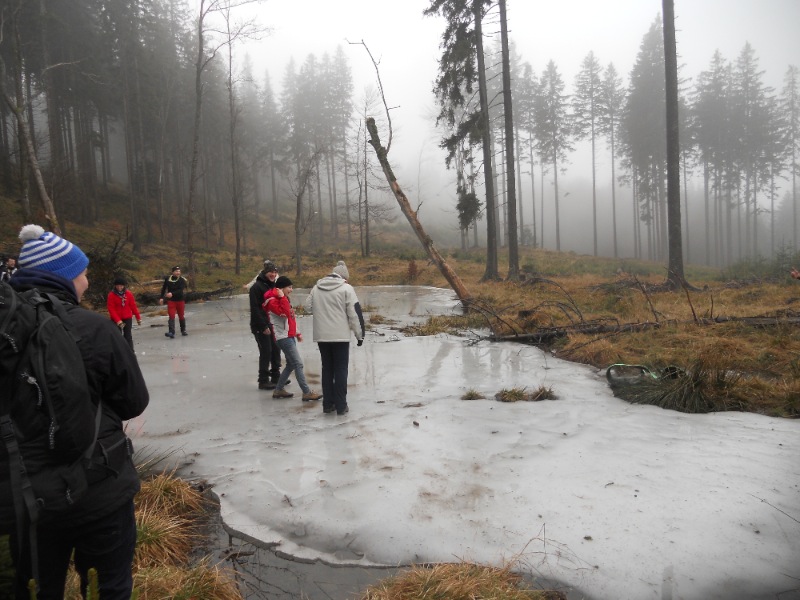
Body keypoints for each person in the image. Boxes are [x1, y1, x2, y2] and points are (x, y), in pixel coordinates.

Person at [9, 224, 149, 599]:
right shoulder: (94, 328)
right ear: (65, 276)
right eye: (83, 273)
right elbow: (134, 401)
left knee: (37, 588)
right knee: (110, 587)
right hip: (99, 487)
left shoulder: (6, 333)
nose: (86, 282)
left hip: (26, 496)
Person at [304, 261, 364, 415]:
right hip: (340, 337)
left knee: (327, 369)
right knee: (341, 369)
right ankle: (341, 405)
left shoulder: (316, 288)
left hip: (322, 336)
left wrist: (322, 310)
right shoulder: (347, 289)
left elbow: (307, 307)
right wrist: (359, 335)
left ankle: (328, 404)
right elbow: (354, 314)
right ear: (344, 277)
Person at [264, 275, 322, 401]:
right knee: (298, 364)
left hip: (289, 336)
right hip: (283, 338)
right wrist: (282, 298)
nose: (291, 290)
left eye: (292, 287)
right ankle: (306, 392)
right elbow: (284, 313)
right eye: (289, 287)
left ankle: (278, 390)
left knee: (291, 364)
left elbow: (291, 318)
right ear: (281, 288)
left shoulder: (283, 299)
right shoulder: (273, 301)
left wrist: (297, 333)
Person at [249, 260, 282, 390]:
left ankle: (276, 376)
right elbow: (255, 309)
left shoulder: (273, 286)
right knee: (266, 351)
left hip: (272, 323)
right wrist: (263, 326)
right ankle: (263, 380)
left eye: (274, 272)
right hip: (260, 325)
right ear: (265, 272)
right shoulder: (256, 287)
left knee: (276, 349)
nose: (273, 274)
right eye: (270, 272)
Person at [106, 277, 142, 350]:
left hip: (127, 318)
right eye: (118, 286)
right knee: (118, 336)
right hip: (116, 319)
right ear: (115, 286)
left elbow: (133, 306)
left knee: (128, 336)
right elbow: (111, 309)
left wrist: (138, 317)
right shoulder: (111, 295)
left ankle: (130, 352)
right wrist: (118, 320)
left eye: (121, 286)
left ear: (124, 286)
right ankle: (120, 352)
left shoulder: (128, 294)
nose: (119, 287)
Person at [158, 265, 188, 338]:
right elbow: (164, 288)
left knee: (181, 315)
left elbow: (180, 290)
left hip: (180, 300)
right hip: (171, 301)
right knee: (171, 315)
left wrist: (172, 293)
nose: (178, 273)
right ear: (173, 272)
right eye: (176, 271)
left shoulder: (182, 280)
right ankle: (171, 332)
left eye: (179, 271)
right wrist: (161, 297)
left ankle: (183, 330)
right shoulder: (168, 279)